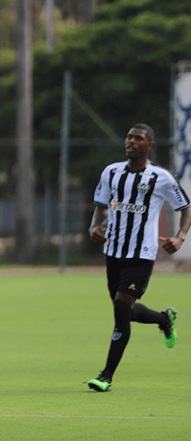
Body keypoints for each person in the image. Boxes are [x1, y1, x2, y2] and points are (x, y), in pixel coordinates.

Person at [86, 123, 188, 392]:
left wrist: (180, 236)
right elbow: (101, 205)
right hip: (113, 252)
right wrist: (93, 227)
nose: (131, 141)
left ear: (149, 145)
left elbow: (186, 207)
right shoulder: (111, 172)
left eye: (138, 138)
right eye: (129, 137)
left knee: (121, 310)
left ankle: (106, 376)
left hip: (141, 255)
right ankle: (165, 319)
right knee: (125, 310)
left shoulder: (161, 177)